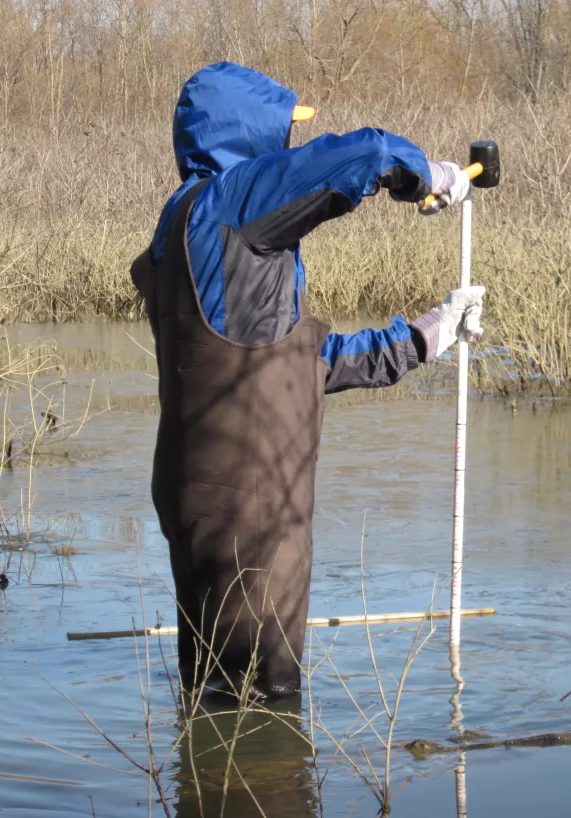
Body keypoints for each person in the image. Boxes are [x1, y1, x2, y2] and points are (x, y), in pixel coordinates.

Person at [130, 62, 484, 700]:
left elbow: (292, 366)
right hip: (252, 505)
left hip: (194, 495)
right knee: (264, 703)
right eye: (281, 132)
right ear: (247, 133)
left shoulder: (177, 225)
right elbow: (366, 153)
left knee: (210, 687)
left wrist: (428, 335)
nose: (287, 147)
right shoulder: (233, 201)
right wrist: (430, 176)